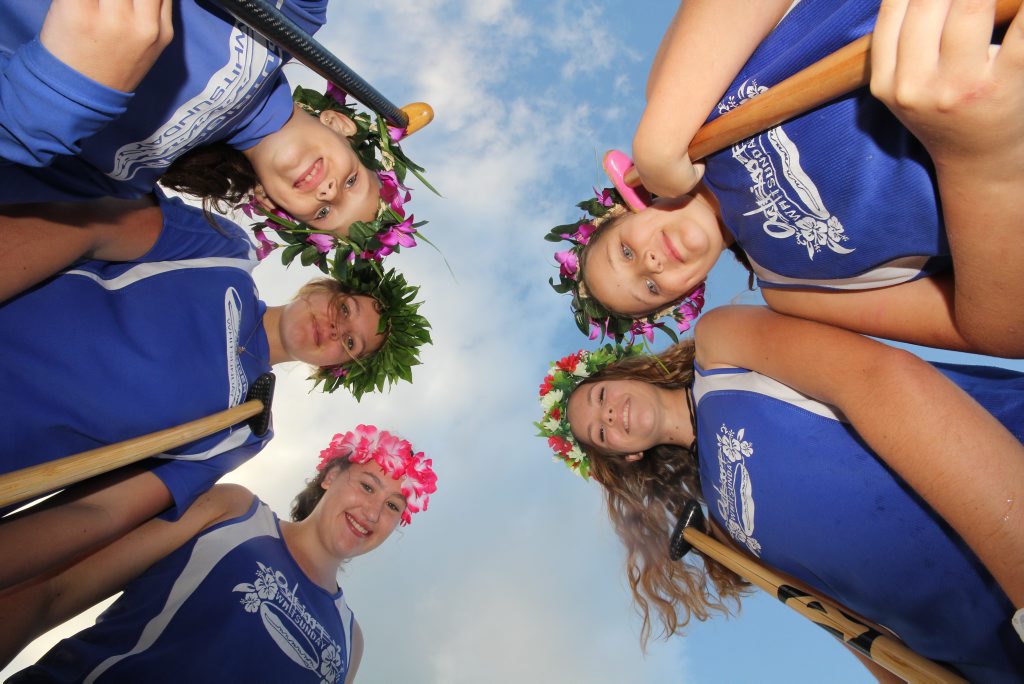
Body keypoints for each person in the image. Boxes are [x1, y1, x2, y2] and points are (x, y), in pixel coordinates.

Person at [536, 306, 1024, 681]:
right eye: (600, 433)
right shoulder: (723, 529)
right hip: (986, 647)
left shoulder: (721, 350)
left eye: (599, 398)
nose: (609, 416)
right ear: (627, 457)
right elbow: (843, 618)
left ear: (625, 374)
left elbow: (880, 377)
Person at [0, 193, 430, 591]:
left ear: (336, 368)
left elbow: (98, 513)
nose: (336, 328)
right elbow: (85, 225)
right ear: (323, 288)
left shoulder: (246, 427)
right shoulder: (223, 251)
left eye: (350, 344)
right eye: (344, 309)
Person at [548, 0, 1024, 357]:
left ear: (625, 207)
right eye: (650, 288)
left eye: (626, 251)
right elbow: (997, 332)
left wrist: (661, 134)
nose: (650, 264)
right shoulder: (793, 291)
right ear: (685, 296)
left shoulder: (677, 98)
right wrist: (980, 164)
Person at [0, 425, 438, 682]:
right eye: (367, 485)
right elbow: (56, 589)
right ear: (330, 477)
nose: (372, 511)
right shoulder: (235, 511)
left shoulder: (349, 640)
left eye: (393, 506)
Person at [0, 1, 432, 251]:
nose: (329, 192)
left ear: (267, 204)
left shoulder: (128, 181)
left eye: (323, 213)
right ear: (340, 123)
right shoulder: (292, 18)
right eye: (352, 181)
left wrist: (61, 96)